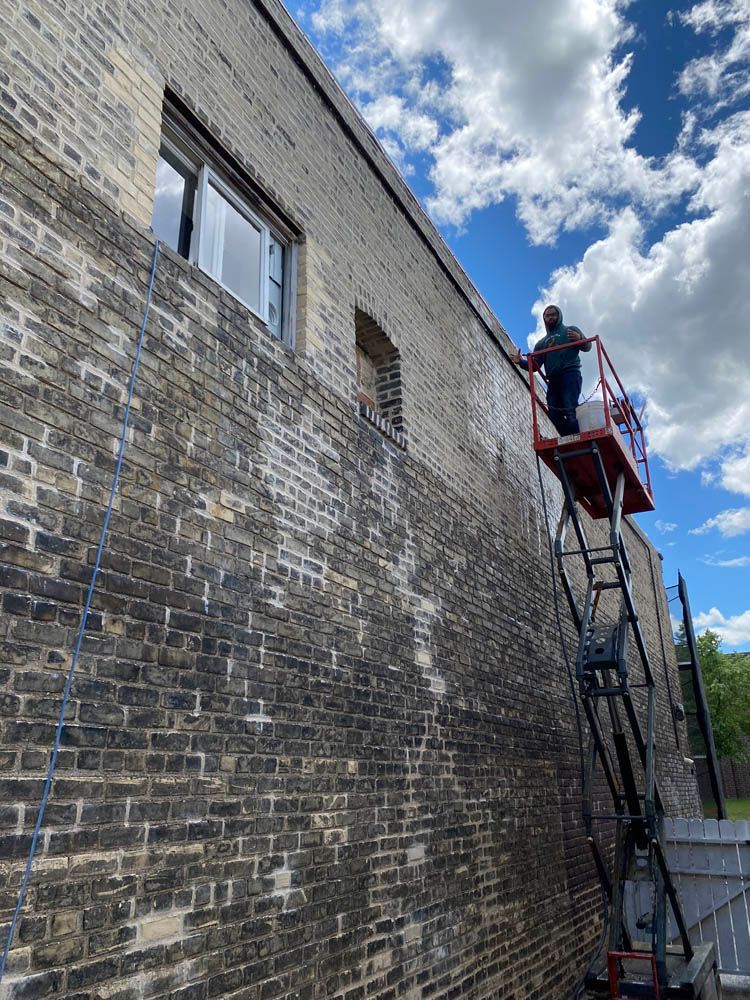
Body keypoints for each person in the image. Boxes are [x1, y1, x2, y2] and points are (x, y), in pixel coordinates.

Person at [511, 304, 591, 436]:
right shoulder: (541, 343)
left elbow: (588, 346)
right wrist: (520, 362)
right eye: (547, 316)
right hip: (553, 379)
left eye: (553, 314)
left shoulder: (570, 330)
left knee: (569, 406)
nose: (550, 317)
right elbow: (535, 365)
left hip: (570, 373)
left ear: (559, 316)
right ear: (544, 319)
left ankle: (577, 437)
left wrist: (580, 339)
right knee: (553, 412)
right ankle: (567, 437)